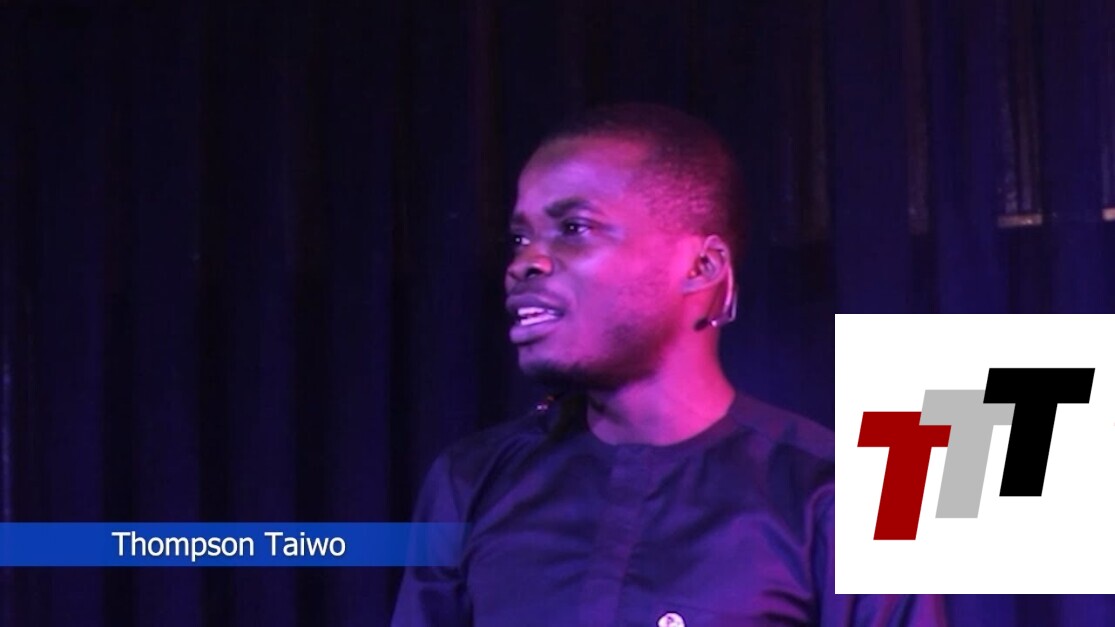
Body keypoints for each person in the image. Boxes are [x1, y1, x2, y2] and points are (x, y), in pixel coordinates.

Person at [391, 103, 945, 626]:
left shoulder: (847, 496)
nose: (525, 262)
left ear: (702, 267)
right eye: (520, 237)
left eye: (574, 228)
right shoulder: (471, 481)